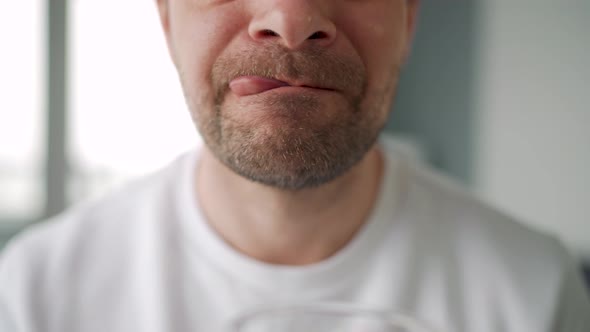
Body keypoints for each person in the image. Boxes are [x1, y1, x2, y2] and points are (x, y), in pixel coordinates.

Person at [1, 0, 589, 331]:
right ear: (166, 21)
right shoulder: (34, 298)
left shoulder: (534, 293)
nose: (289, 16)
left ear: (409, 21)